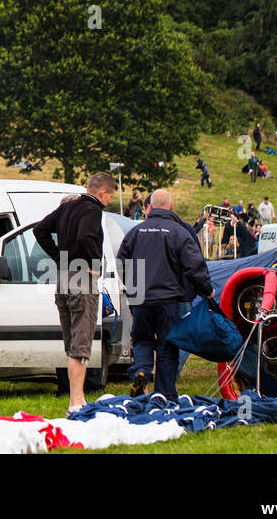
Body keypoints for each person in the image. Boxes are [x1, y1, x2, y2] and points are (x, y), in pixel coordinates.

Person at [116, 189, 214, 399]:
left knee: (142, 341)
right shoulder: (178, 232)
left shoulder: (135, 232)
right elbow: (194, 266)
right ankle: (165, 394)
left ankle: (141, 372)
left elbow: (121, 262)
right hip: (169, 300)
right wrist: (206, 289)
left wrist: (134, 288)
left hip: (141, 298)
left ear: (149, 207)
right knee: (167, 347)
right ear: (171, 207)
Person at [33, 171, 118, 412]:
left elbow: (40, 230)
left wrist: (59, 257)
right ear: (102, 192)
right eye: (109, 197)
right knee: (82, 344)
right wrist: (95, 265)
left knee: (72, 344)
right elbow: (85, 236)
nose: (108, 201)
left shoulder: (67, 207)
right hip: (82, 280)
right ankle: (76, 400)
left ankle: (76, 398)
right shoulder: (92, 210)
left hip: (63, 280)